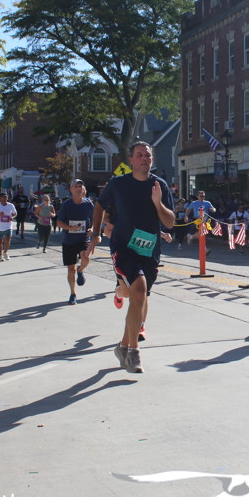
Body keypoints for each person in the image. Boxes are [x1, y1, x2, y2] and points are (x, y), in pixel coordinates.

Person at [88, 141, 175, 374]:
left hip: (150, 250)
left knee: (138, 298)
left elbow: (169, 222)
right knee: (138, 289)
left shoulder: (159, 185)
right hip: (123, 247)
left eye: (148, 155)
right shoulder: (118, 184)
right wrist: (95, 235)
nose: (145, 158)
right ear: (131, 160)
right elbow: (99, 206)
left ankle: (123, 346)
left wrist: (158, 203)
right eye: (140, 155)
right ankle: (134, 352)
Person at [56, 180, 94, 305]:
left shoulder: (88, 204)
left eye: (80, 186)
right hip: (69, 240)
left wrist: (92, 229)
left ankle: (81, 270)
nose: (79, 188)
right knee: (70, 269)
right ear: (71, 189)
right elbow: (59, 222)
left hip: (83, 238)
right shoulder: (66, 205)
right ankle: (73, 294)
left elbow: (94, 219)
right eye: (76, 186)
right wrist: (70, 228)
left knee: (86, 258)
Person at [0, 193, 17, 261]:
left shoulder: (11, 205)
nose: (5, 199)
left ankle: (5, 252)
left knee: (8, 239)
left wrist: (12, 217)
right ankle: (0, 255)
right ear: (0, 198)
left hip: (8, 226)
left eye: (6, 197)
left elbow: (15, 213)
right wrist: (0, 214)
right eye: (4, 197)